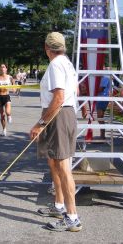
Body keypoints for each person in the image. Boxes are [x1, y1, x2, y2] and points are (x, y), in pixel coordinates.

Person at [30, 32, 82, 232]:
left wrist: (40, 124)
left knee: (63, 167)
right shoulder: (67, 62)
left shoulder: (56, 64)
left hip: (59, 115)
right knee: (55, 163)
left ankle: (72, 218)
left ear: (47, 48)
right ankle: (59, 206)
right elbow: (74, 92)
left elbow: (59, 98)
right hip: (63, 114)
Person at [0, 64, 14, 136]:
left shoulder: (10, 77)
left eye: (4, 67)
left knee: (7, 112)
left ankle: (9, 116)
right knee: (2, 115)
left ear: (6, 69)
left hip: (6, 96)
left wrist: (14, 89)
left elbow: (14, 86)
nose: (2, 68)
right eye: (1, 67)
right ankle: (4, 129)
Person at [96, 72, 111, 139]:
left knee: (100, 117)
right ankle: (102, 135)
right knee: (100, 117)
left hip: (103, 99)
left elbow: (101, 89)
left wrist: (90, 91)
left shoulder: (105, 78)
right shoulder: (99, 78)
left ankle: (102, 135)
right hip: (99, 99)